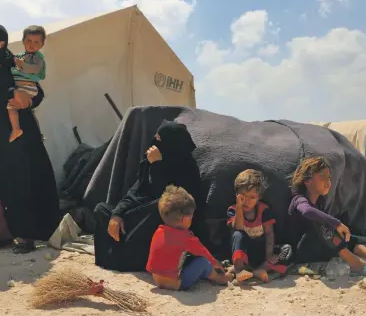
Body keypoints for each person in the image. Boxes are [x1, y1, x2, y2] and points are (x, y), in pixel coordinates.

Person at [0, 23, 60, 254]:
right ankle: (2, 234)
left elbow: (36, 90)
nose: (0, 48)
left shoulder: (14, 62)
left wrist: (30, 100)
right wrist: (10, 93)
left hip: (19, 131)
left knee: (23, 180)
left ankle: (27, 236)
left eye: (3, 44)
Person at [94, 120, 207, 271]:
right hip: (142, 214)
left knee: (160, 207)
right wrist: (117, 214)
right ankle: (115, 255)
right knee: (101, 209)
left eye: (159, 139)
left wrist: (157, 166)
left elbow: (170, 198)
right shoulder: (149, 162)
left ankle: (130, 259)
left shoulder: (187, 169)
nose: (154, 142)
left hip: (162, 220)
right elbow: (135, 191)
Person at [288, 156, 366, 277]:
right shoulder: (299, 200)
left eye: (329, 178)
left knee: (344, 236)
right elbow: (307, 212)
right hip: (303, 251)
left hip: (319, 248)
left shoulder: (320, 202)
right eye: (323, 177)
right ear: (307, 181)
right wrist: (336, 223)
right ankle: (357, 264)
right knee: (324, 225)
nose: (328, 182)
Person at [147, 185, 234, 290]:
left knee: (188, 257)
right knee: (203, 262)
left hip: (157, 280)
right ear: (184, 218)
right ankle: (220, 278)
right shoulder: (186, 237)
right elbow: (204, 253)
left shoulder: (159, 231)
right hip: (176, 283)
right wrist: (217, 264)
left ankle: (206, 274)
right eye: (191, 216)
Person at [227, 169, 279, 283]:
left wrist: (269, 255)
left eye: (252, 197)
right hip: (242, 253)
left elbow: (269, 234)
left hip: (260, 252)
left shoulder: (264, 210)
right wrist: (239, 207)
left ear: (259, 197)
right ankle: (239, 270)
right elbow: (238, 228)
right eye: (243, 196)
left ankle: (257, 271)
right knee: (238, 234)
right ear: (237, 195)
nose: (246, 201)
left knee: (284, 252)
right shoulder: (233, 210)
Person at [9, 25, 46, 143]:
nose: (31, 44)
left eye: (36, 42)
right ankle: (16, 129)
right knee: (12, 107)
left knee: (12, 106)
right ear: (23, 40)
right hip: (20, 87)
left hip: (27, 87)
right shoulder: (18, 56)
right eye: (29, 41)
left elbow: (36, 69)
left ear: (42, 45)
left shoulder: (37, 57)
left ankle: (16, 129)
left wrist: (22, 65)